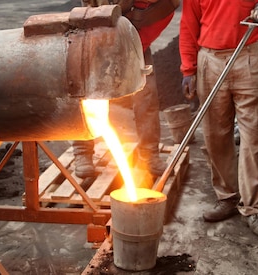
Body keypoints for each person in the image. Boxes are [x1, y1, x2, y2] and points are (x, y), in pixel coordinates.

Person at [179, 0, 258, 238]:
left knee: (255, 136)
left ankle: (252, 208)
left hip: (249, 54)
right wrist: (188, 68)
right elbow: (188, 24)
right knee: (215, 135)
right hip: (210, 59)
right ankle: (227, 197)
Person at [73, 0, 179, 178]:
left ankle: (149, 155)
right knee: (86, 94)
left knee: (147, 95)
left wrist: (131, 50)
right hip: (94, 35)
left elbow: (146, 34)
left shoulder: (166, 7)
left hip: (136, 41)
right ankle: (82, 152)